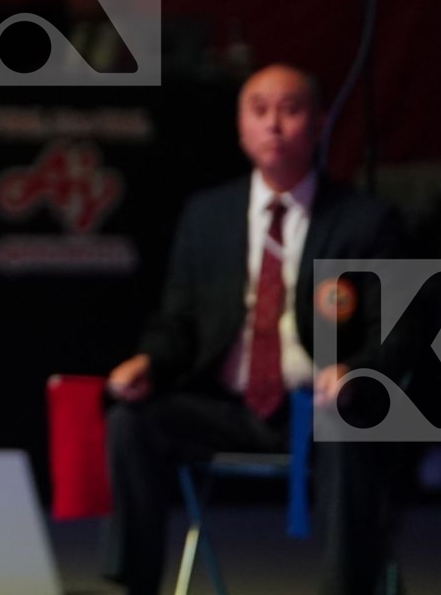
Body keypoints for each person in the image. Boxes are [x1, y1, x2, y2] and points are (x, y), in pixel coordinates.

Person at [101, 64, 400, 595]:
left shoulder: (362, 220)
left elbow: (394, 331)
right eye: (259, 111)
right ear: (240, 127)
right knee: (132, 420)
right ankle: (135, 583)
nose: (274, 126)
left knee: (349, 426)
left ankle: (346, 588)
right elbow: (179, 322)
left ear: (319, 124)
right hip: (227, 406)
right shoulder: (207, 215)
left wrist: (356, 371)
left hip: (320, 408)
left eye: (290, 110)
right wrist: (147, 361)